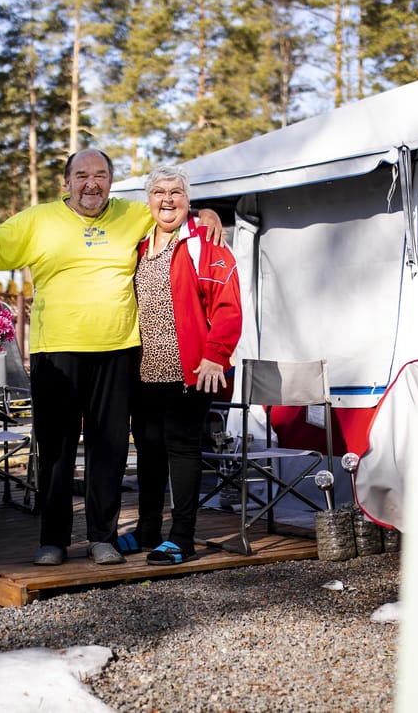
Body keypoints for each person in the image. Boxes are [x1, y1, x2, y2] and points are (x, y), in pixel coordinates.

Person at [0, 150, 222, 567]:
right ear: (66, 182)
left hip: (118, 351)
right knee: (56, 448)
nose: (92, 183)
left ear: (111, 181)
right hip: (57, 351)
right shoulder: (38, 220)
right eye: (83, 175)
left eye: (101, 175)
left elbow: (172, 213)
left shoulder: (133, 214)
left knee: (108, 449)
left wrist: (208, 213)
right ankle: (53, 540)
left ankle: (101, 538)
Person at [118, 164, 242, 566]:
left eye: (176, 192)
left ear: (189, 200)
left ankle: (182, 537)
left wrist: (215, 356)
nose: (167, 199)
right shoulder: (137, 242)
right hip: (144, 370)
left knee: (183, 450)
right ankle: (148, 529)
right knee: (149, 450)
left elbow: (228, 304)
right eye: (158, 192)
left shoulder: (205, 241)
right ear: (147, 200)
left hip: (192, 369)